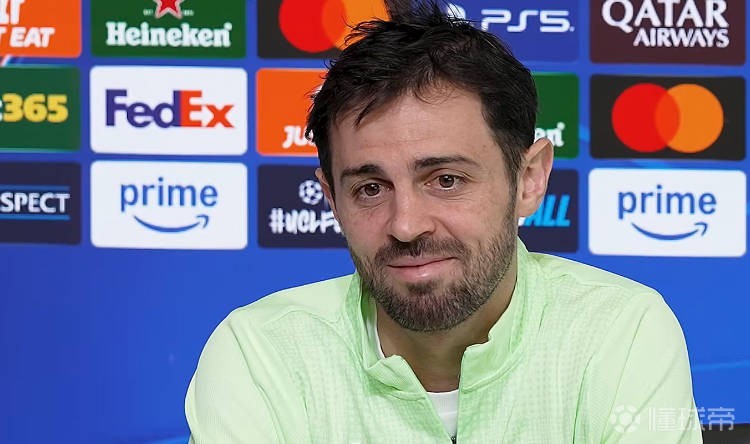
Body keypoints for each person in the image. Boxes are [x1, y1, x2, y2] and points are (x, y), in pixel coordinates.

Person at [185, 2, 702, 442]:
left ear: (528, 180)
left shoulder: (619, 332)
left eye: (446, 180)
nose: (406, 225)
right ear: (332, 200)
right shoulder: (261, 355)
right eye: (371, 189)